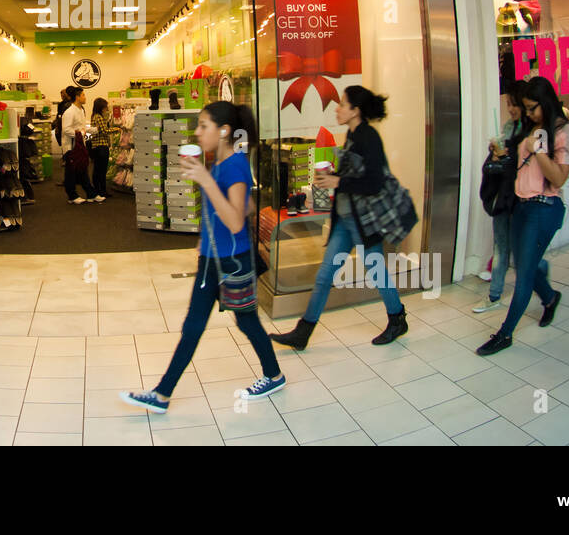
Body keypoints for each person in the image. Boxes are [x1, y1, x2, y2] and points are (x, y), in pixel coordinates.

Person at [121, 102, 284, 412]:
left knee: (246, 323)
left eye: (204, 125)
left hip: (233, 260)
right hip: (212, 257)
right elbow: (240, 208)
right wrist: (205, 240)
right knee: (194, 325)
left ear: (223, 131)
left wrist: (206, 182)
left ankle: (273, 374)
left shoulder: (234, 165)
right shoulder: (220, 163)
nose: (197, 131)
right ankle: (162, 394)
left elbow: (235, 221)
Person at [271, 86, 409, 350]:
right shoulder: (353, 134)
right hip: (346, 221)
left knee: (376, 270)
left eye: (343, 104)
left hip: (362, 221)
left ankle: (397, 318)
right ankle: (303, 332)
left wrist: (338, 180)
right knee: (325, 276)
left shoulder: (369, 137)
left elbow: (374, 182)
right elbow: (353, 177)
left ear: (355, 110)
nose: (337, 108)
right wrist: (335, 178)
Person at [476, 77, 569, 356]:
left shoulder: (563, 130)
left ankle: (505, 334)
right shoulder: (535, 128)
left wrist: (537, 150)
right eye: (526, 108)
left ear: (545, 103)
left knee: (524, 274)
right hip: (520, 206)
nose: (528, 113)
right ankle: (550, 297)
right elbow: (522, 166)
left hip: (544, 207)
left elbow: (558, 178)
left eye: (532, 108)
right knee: (523, 267)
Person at [475, 79, 534, 314]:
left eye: (515, 104)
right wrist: (496, 154)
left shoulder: (534, 132)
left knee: (522, 253)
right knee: (501, 248)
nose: (511, 109)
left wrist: (508, 159)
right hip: (503, 195)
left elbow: (531, 166)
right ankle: (494, 295)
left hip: (523, 198)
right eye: (509, 103)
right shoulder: (509, 127)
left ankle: (540, 276)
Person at [60, 87, 99, 204]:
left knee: (82, 170)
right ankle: (72, 196)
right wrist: (81, 133)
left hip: (79, 145)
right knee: (71, 172)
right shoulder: (69, 112)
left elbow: (82, 127)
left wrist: (95, 130)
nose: (85, 97)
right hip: (70, 146)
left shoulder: (81, 110)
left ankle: (91, 194)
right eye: (83, 95)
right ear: (77, 97)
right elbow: (66, 130)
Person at [88, 97, 113, 200]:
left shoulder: (94, 116)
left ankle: (99, 190)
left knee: (98, 169)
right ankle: (101, 191)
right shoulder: (99, 117)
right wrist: (116, 130)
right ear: (101, 107)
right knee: (101, 170)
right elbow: (104, 131)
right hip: (101, 146)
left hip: (97, 146)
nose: (106, 109)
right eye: (105, 107)